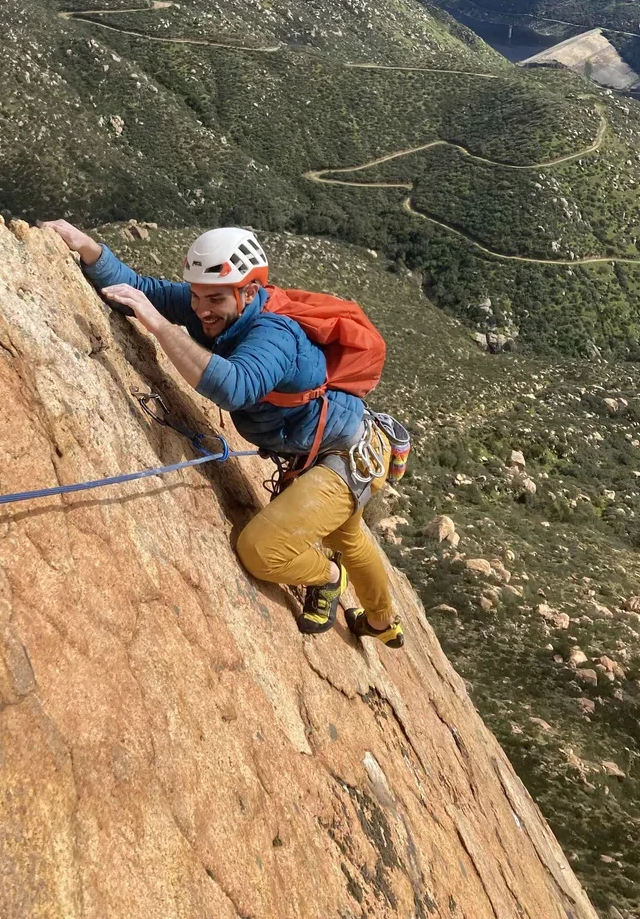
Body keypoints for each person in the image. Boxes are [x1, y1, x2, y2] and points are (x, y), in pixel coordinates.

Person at [42, 221, 407, 649]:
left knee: (261, 549)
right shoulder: (217, 306)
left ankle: (330, 577)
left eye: (214, 299)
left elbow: (235, 387)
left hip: (344, 457)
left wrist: (162, 328)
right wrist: (88, 249)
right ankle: (381, 622)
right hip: (323, 448)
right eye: (195, 298)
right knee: (347, 536)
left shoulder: (275, 334)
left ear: (249, 293)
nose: (201, 311)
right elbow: (140, 289)